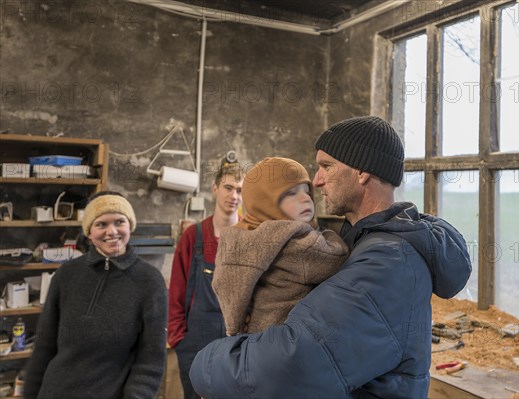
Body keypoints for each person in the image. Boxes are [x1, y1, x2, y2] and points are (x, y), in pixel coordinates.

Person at [189, 116, 472, 398]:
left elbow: (293, 363)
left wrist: (206, 364)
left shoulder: (388, 263)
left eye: (327, 166)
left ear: (361, 172)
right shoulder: (360, 241)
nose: (317, 180)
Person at [24, 191, 167, 399]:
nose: (112, 231)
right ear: (89, 232)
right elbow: (44, 347)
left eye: (120, 221)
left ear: (130, 226)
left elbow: (151, 358)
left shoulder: (150, 281)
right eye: (101, 224)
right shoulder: (66, 275)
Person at [213, 157, 348, 336]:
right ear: (265, 202)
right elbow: (337, 257)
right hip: (287, 340)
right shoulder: (295, 243)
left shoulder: (240, 237)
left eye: (307, 191)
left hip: (256, 337)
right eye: (291, 194)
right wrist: (328, 233)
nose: (305, 199)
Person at [167, 160, 243, 399]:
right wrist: (179, 339)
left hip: (237, 343)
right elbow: (176, 293)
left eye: (240, 190)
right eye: (228, 187)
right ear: (215, 188)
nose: (234, 195)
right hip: (195, 344)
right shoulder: (193, 237)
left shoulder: (249, 237)